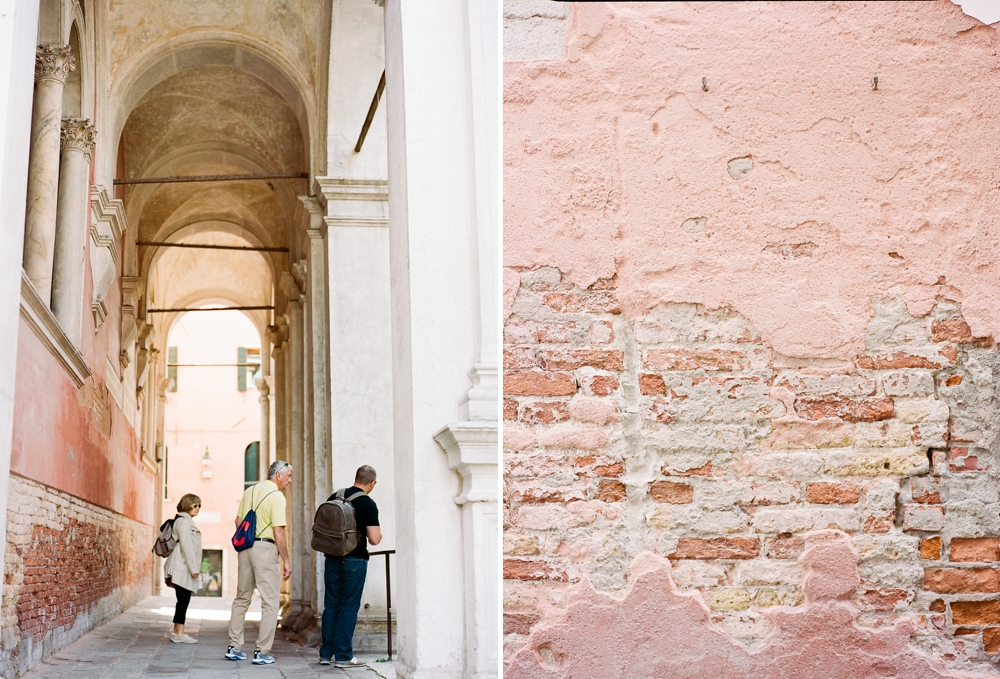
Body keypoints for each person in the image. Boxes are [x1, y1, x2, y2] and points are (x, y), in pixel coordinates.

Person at [225, 460, 293, 665]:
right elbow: (278, 531)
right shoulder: (277, 497)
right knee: (270, 602)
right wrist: (286, 560)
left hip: (245, 548)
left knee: (242, 598)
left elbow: (238, 521)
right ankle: (262, 652)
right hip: (265, 548)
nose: (290, 480)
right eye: (288, 476)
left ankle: (234, 647)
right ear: (278, 476)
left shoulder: (250, 491)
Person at [319, 465, 382, 668]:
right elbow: (374, 539)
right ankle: (344, 656)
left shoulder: (334, 497)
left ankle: (326, 654)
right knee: (348, 607)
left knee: (331, 606)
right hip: (354, 560)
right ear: (371, 483)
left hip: (332, 557)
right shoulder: (367, 503)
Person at [163, 493, 203, 644]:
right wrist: (194, 569)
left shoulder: (184, 521)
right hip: (182, 566)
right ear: (187, 504)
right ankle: (179, 633)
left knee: (182, 599)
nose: (198, 508)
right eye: (195, 505)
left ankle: (177, 632)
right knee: (183, 600)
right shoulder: (185, 522)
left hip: (181, 565)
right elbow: (186, 546)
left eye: (199, 505)